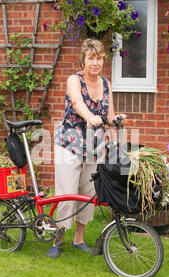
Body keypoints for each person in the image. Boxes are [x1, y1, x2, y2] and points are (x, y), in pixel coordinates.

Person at [47, 38, 127, 258]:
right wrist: (90, 116)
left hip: (95, 145)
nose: (96, 62)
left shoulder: (106, 84)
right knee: (67, 194)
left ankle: (78, 239)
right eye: (91, 58)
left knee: (89, 192)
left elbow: (108, 115)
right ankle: (58, 239)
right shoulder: (74, 80)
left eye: (100, 58)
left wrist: (117, 118)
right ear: (83, 59)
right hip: (69, 143)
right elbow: (76, 102)